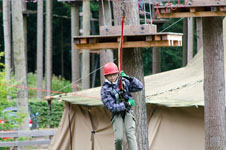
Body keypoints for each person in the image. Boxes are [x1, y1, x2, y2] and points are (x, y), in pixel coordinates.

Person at [101, 62, 143, 150]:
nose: (112, 77)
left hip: (127, 112)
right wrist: (126, 104)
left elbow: (140, 87)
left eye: (114, 74)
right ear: (106, 76)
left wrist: (129, 78)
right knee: (119, 138)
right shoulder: (105, 89)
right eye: (109, 75)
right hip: (116, 114)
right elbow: (111, 106)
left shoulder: (123, 81)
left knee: (130, 134)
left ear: (117, 73)